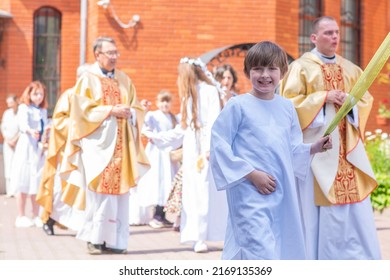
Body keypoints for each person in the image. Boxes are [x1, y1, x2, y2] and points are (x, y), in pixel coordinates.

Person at [210, 41, 333, 260]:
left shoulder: (286, 107)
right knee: (257, 246)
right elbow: (219, 144)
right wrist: (251, 174)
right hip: (248, 190)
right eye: (258, 68)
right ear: (248, 72)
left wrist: (314, 147)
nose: (265, 75)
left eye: (272, 69)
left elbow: (292, 147)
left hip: (280, 190)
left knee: (277, 244)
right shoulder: (238, 106)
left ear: (283, 73)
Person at [280, 16, 381, 260]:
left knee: (355, 210)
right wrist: (323, 98)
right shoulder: (301, 68)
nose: (334, 37)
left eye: (336, 32)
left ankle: (358, 259)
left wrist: (351, 105)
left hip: (348, 152)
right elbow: (288, 105)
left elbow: (365, 100)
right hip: (321, 154)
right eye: (328, 33)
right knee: (320, 207)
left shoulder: (350, 68)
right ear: (314, 37)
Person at [59, 36, 149, 254]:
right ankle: (94, 239)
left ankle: (117, 241)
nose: (114, 57)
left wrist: (133, 112)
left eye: (116, 53)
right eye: (109, 53)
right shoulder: (87, 80)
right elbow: (81, 112)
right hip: (98, 147)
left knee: (120, 196)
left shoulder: (124, 79)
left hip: (122, 145)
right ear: (97, 55)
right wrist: (110, 111)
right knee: (100, 194)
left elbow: (135, 106)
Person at [177, 57, 227, 253]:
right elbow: (183, 126)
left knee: (204, 190)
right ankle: (193, 234)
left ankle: (203, 236)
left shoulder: (208, 91)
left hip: (204, 146)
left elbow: (214, 119)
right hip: (191, 146)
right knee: (192, 192)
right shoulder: (187, 95)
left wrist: (209, 148)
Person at [36, 64, 91, 236]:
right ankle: (49, 219)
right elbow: (59, 121)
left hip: (88, 150)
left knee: (84, 190)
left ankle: (83, 225)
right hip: (69, 150)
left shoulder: (93, 98)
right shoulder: (69, 95)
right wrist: (79, 127)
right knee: (63, 188)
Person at [135, 90, 182, 228]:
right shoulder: (153, 115)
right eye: (162, 101)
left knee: (168, 182)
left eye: (167, 101)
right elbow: (143, 126)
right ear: (157, 102)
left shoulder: (173, 118)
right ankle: (155, 214)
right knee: (157, 181)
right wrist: (153, 136)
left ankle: (163, 214)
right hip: (156, 153)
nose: (165, 104)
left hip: (168, 154)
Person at [11, 81, 48, 228]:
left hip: (38, 148)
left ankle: (36, 214)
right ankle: (21, 215)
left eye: (41, 94)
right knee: (24, 179)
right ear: (29, 94)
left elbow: (44, 126)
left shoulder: (43, 110)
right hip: (27, 146)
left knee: (36, 181)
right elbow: (23, 124)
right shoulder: (24, 108)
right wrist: (30, 131)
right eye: (35, 94)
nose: (38, 97)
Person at [1, 94, 20, 197]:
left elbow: (22, 128)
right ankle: (9, 191)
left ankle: (16, 190)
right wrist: (8, 140)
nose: (9, 105)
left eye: (11, 103)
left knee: (17, 166)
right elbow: (3, 127)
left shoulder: (20, 113)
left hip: (18, 143)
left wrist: (15, 140)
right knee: (8, 166)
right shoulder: (6, 113)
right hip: (8, 143)